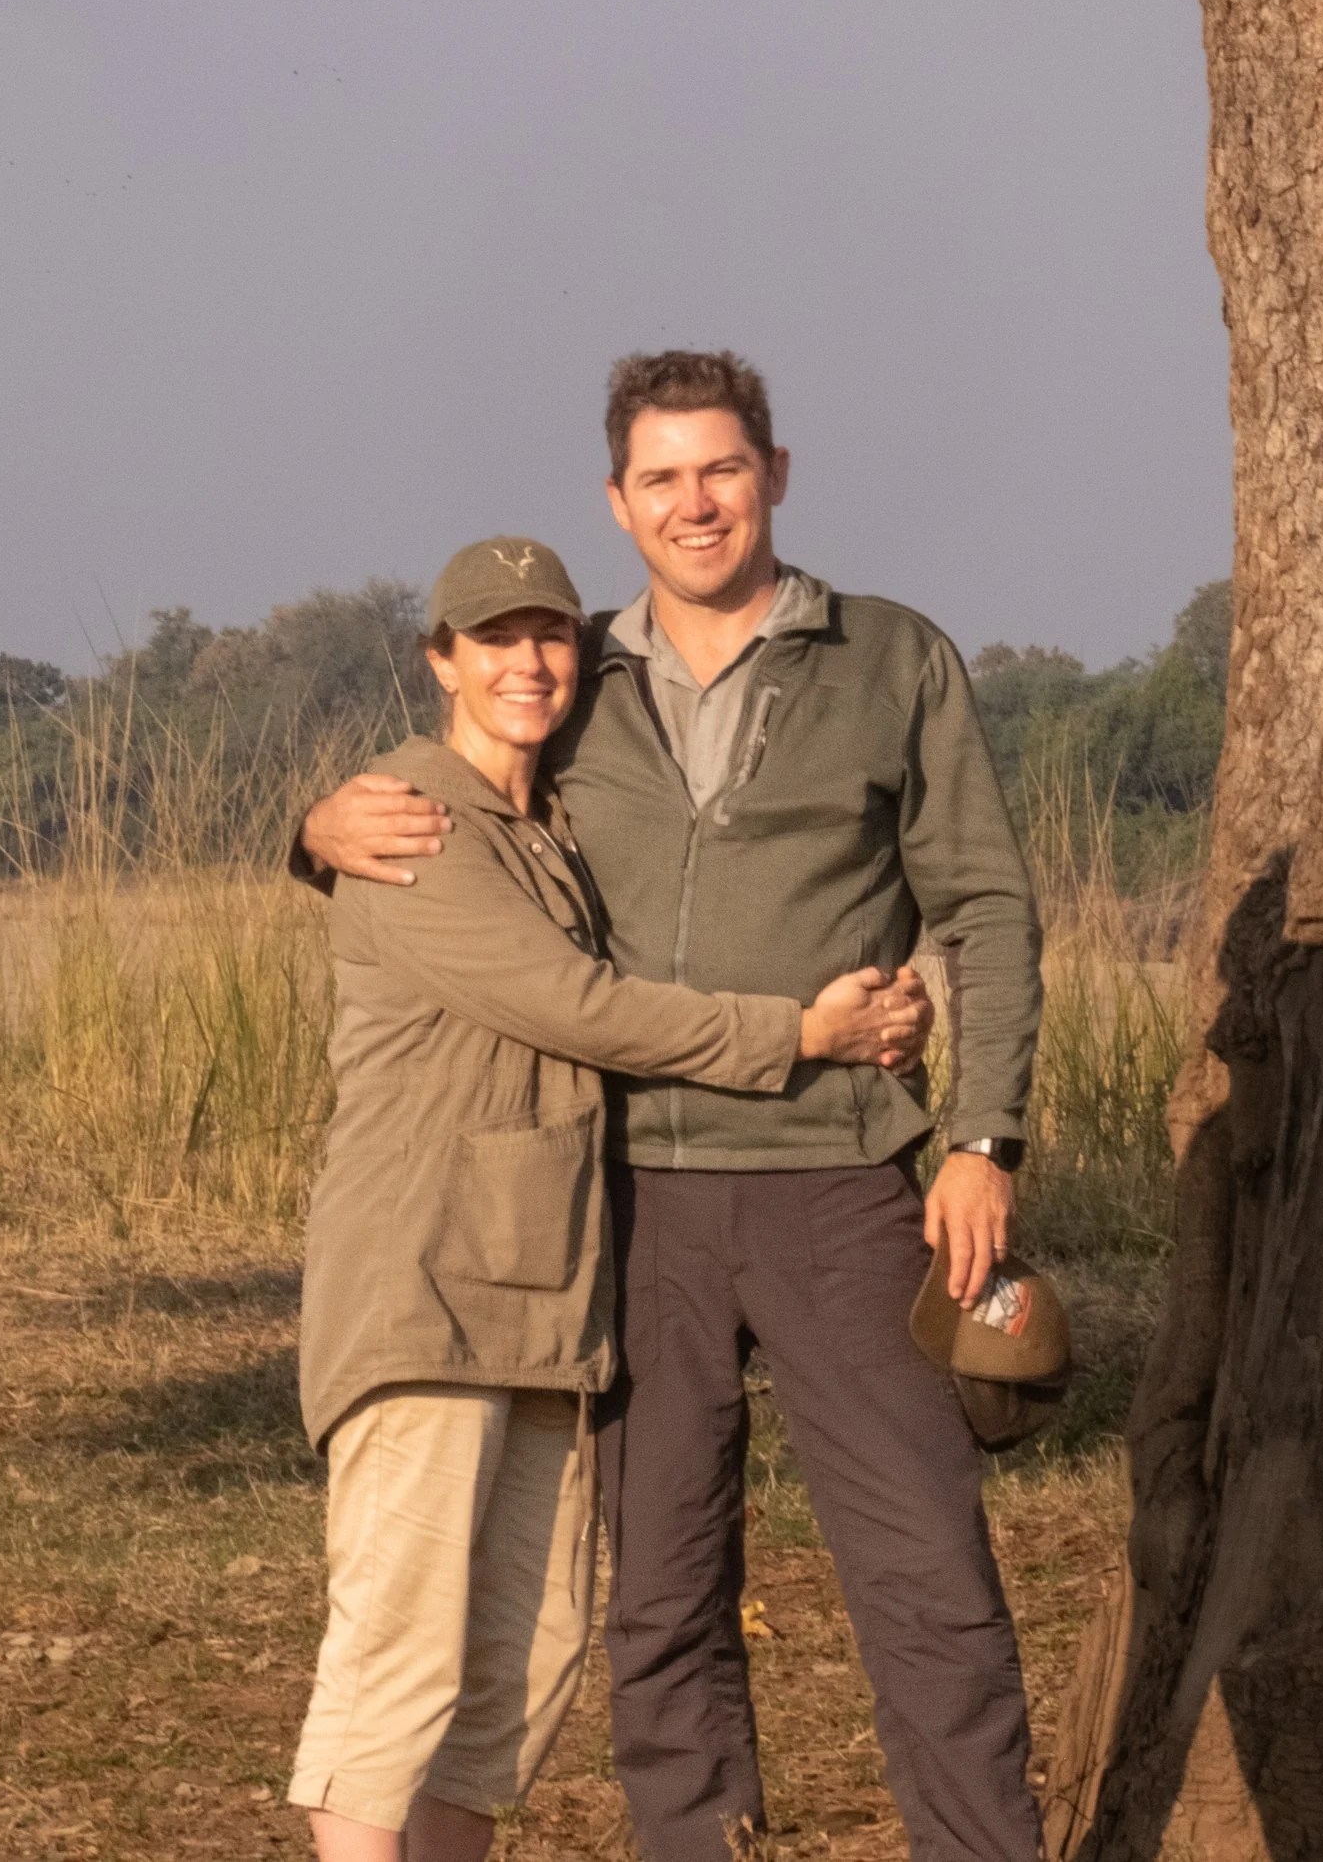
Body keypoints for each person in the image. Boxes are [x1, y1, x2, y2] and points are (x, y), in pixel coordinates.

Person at [302, 353, 1046, 1862]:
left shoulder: (891, 658)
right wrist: (308, 831)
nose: (694, 503)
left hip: (846, 1182)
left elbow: (989, 903)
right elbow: (437, 800)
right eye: (660, 478)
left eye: (721, 469)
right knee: (659, 1601)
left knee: (928, 1577)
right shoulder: (574, 673)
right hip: (628, 1200)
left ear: (775, 471)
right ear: (617, 501)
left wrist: (980, 1137)